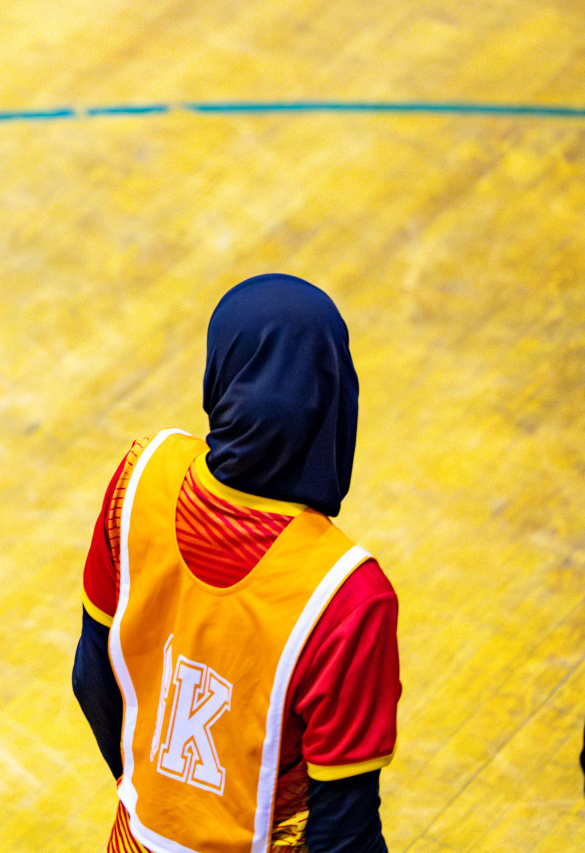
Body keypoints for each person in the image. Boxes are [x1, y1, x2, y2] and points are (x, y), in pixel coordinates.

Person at [73, 274, 401, 853]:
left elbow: (91, 677)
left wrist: (146, 795)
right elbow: (343, 831)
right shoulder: (347, 596)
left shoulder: (141, 476)